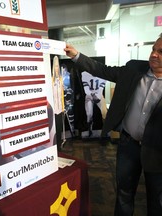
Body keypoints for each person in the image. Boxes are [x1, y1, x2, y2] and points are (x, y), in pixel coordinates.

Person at [64, 33, 162, 216]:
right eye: (153, 49)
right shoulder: (134, 68)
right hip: (128, 145)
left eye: (160, 51)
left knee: (157, 201)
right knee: (124, 194)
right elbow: (103, 70)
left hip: (157, 152)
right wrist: (76, 55)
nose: (154, 54)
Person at [81, 71, 106, 137]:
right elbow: (86, 89)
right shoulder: (85, 74)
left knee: (105, 113)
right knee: (89, 114)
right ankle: (90, 129)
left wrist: (97, 96)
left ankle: (105, 130)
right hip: (89, 95)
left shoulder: (102, 73)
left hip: (99, 95)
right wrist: (92, 94)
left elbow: (101, 88)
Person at [52, 56, 65, 151]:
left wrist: (63, 107)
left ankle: (59, 147)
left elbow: (62, 95)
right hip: (53, 108)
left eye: (58, 66)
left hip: (60, 108)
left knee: (59, 128)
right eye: (55, 66)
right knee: (54, 129)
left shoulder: (60, 79)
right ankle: (54, 147)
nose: (56, 68)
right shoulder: (51, 80)